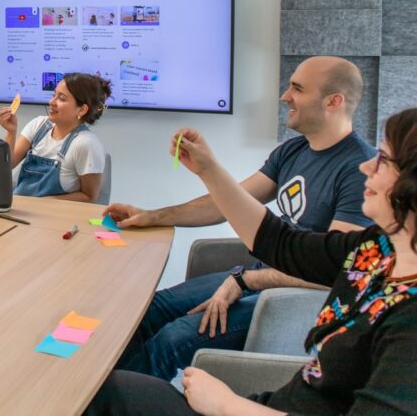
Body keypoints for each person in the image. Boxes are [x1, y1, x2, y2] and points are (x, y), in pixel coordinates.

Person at [87, 108, 417, 415]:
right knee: (105, 390)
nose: (366, 167)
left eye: (384, 161)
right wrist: (208, 169)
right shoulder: (375, 249)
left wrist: (225, 404)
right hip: (269, 404)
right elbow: (280, 242)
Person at [105, 56, 373, 380]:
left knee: (172, 340)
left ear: (333, 101)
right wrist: (154, 216)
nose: (284, 96)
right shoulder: (292, 151)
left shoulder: (361, 171)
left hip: (292, 299)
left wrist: (245, 280)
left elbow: (334, 272)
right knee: (148, 310)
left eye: (297, 89)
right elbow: (227, 203)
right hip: (256, 275)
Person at [0, 72, 110, 202]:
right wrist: (11, 132)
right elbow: (5, 167)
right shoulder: (38, 125)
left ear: (82, 110)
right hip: (20, 209)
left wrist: (43, 203)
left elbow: (90, 197)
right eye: (53, 95)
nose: (51, 102)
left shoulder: (86, 144)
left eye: (62, 98)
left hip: (53, 217)